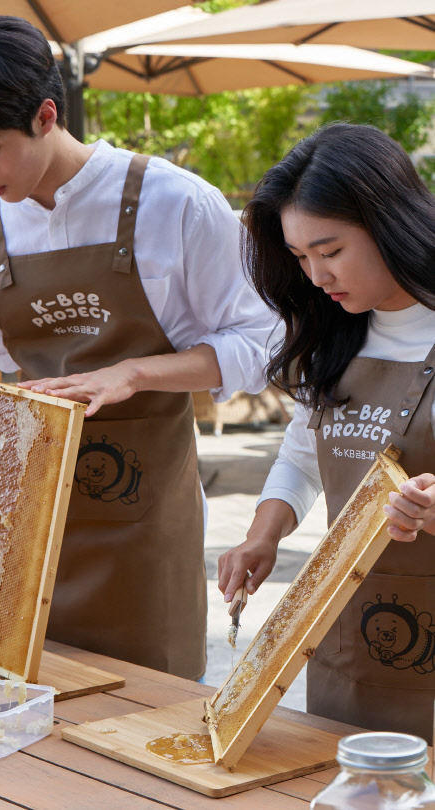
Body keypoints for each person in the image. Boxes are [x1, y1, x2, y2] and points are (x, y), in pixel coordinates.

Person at [0, 16, 278, 682]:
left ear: (46, 115)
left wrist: (132, 373)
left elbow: (260, 340)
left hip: (147, 530)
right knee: (19, 730)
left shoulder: (178, 205)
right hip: (17, 527)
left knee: (147, 724)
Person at [218, 123, 435, 739]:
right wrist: (264, 535)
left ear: (389, 221)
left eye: (331, 251)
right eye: (300, 257)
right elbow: (304, 453)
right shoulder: (335, 332)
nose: (316, 277)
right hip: (350, 635)